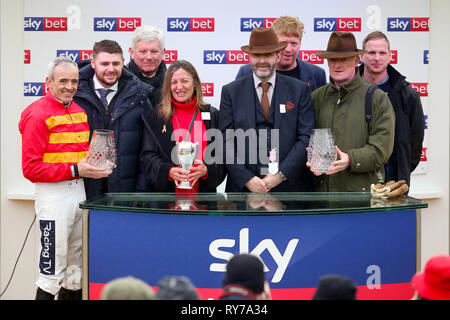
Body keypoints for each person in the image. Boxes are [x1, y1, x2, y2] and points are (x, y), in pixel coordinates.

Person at [19, 57, 112, 300]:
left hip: (78, 192)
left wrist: (97, 165)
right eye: (63, 81)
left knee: (75, 271)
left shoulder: (79, 111)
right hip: (53, 196)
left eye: (74, 81)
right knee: (51, 271)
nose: (70, 86)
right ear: (48, 82)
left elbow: (81, 160)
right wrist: (75, 170)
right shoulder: (37, 114)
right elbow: (30, 169)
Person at [219, 27, 314, 193]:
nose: (262, 61)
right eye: (257, 55)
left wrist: (280, 176)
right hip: (243, 190)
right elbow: (225, 140)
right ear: (249, 57)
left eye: (268, 55)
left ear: (277, 56)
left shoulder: (299, 90)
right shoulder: (230, 92)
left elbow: (305, 136)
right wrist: (247, 179)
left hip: (289, 189)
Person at [308, 31, 395, 192]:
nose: (337, 65)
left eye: (344, 59)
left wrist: (350, 159)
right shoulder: (316, 98)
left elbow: (381, 149)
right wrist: (309, 154)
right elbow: (305, 138)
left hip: (360, 199)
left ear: (356, 60)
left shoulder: (377, 98)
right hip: (322, 198)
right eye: (333, 59)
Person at [74, 40, 153, 200]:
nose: (111, 69)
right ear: (93, 63)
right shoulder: (74, 94)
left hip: (124, 195)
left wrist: (140, 193)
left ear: (123, 63)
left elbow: (149, 150)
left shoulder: (140, 97)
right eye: (104, 64)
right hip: (80, 191)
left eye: (116, 63)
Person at [140, 60, 224, 192]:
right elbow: (148, 157)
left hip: (204, 200)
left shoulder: (213, 116)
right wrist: (169, 171)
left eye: (184, 81)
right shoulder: (155, 117)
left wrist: (207, 170)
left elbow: (222, 156)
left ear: (195, 83)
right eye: (174, 82)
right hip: (167, 200)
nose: (179, 87)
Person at [360, 31, 425, 188]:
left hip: (394, 183)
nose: (377, 58)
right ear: (361, 56)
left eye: (382, 53)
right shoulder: (348, 90)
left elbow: (415, 144)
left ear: (389, 56)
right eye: (371, 52)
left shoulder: (407, 95)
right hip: (354, 181)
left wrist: (401, 172)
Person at [236, 16, 327, 91]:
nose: (288, 49)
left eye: (294, 43)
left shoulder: (317, 74)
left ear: (300, 44)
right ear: (274, 44)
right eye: (283, 43)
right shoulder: (246, 72)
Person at [127, 25, 167, 108]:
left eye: (154, 51)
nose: (149, 57)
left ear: (163, 53)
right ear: (132, 52)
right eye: (143, 52)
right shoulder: (119, 81)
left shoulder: (173, 83)